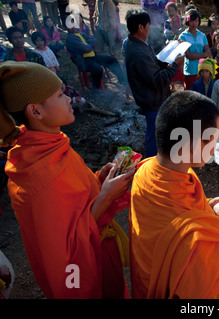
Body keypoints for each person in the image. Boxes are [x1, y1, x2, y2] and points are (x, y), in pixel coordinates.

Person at [0, 61, 134, 298]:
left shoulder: (49, 145)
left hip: (101, 253)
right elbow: (67, 254)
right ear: (36, 111)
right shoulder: (35, 177)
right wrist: (105, 197)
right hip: (81, 275)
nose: (69, 98)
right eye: (60, 94)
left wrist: (98, 181)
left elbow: (72, 201)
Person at [129, 90, 219, 299]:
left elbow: (176, 216)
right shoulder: (190, 242)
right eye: (212, 138)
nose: (215, 145)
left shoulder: (146, 170)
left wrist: (205, 206)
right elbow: (211, 284)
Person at [125, 9, 184, 158]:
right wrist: (175, 65)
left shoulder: (138, 44)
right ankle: (151, 165)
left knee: (157, 132)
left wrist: (170, 51)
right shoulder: (137, 52)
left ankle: (157, 159)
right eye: (148, 26)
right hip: (152, 100)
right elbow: (157, 80)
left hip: (153, 98)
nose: (149, 29)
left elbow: (153, 66)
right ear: (140, 27)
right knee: (154, 135)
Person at [65, 20, 126, 90]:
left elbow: (94, 40)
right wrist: (90, 46)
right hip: (83, 61)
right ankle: (96, 89)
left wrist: (88, 45)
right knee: (98, 69)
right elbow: (85, 48)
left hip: (92, 56)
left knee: (112, 60)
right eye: (71, 26)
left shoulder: (80, 33)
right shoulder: (70, 39)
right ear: (67, 28)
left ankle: (122, 80)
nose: (74, 27)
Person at [179, 9, 210, 90]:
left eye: (196, 21)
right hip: (190, 71)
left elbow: (208, 52)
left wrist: (199, 55)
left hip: (202, 71)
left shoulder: (202, 36)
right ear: (187, 21)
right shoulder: (183, 36)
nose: (194, 23)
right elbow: (188, 55)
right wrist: (203, 55)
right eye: (192, 21)